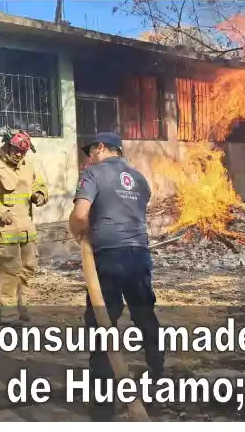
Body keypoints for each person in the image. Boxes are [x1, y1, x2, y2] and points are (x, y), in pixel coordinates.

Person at [69, 131, 164, 419]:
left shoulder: (92, 174)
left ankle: (102, 405)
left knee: (102, 324)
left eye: (90, 151)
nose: (89, 157)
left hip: (108, 257)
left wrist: (78, 231)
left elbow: (81, 214)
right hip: (139, 255)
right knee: (145, 316)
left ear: (100, 147)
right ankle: (157, 383)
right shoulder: (139, 179)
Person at [0, 130, 49, 327]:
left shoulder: (28, 166)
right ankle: (8, 315)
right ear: (7, 145)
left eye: (23, 152)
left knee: (28, 267)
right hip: (4, 231)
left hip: (26, 230)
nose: (19, 155)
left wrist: (40, 194)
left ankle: (21, 307)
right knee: (9, 271)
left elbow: (40, 184)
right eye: (16, 150)